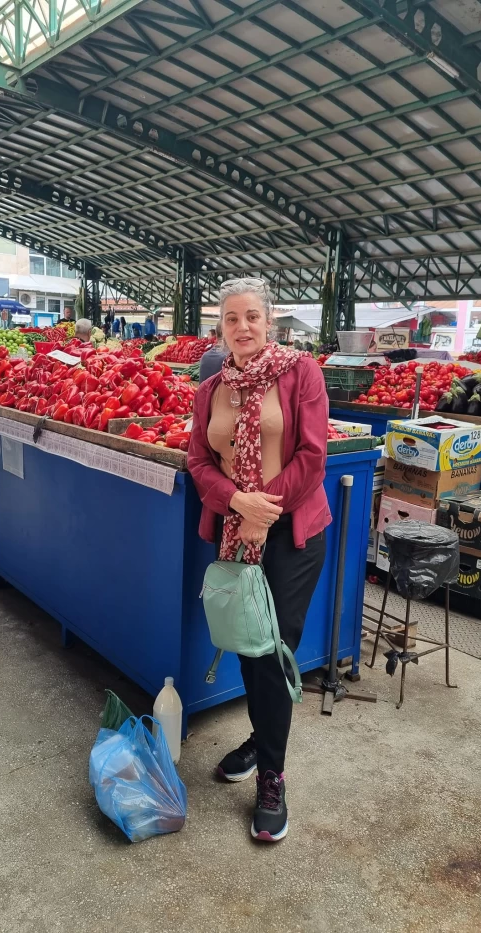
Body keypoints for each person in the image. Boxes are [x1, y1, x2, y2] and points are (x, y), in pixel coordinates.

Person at [187, 277, 329, 843]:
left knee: (272, 651)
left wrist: (260, 510)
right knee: (247, 644)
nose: (242, 328)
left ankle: (272, 775)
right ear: (219, 329)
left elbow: (312, 458)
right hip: (234, 534)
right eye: (230, 319)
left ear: (269, 321)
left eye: (252, 317)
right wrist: (234, 501)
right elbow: (198, 462)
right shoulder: (210, 389)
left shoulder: (302, 373)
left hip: (291, 534)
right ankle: (260, 740)